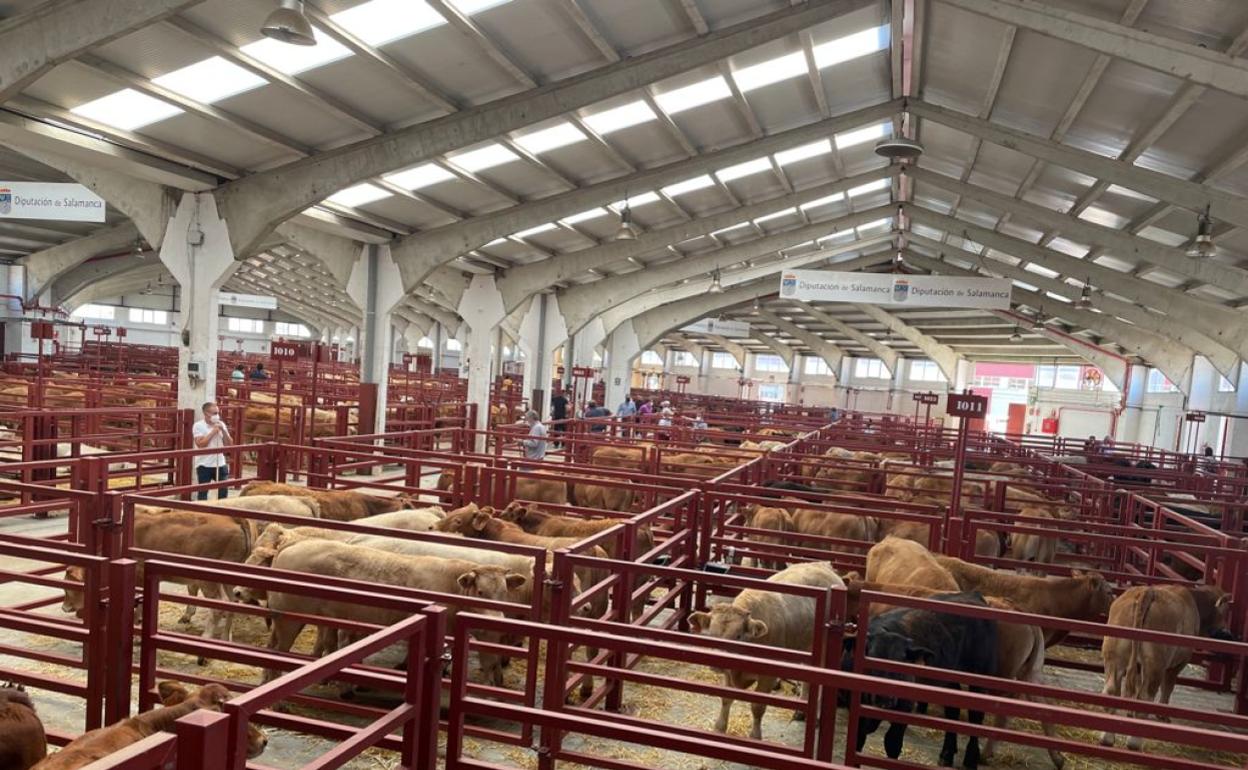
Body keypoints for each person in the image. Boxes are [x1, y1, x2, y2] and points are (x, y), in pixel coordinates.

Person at [192, 402, 231, 500]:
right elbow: (201, 444)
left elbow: (229, 444)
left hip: (220, 462)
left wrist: (223, 431)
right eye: (214, 413)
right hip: (204, 464)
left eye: (217, 413)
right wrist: (213, 432)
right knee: (203, 492)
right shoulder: (198, 426)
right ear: (206, 413)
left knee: (223, 489)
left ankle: (222, 510)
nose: (217, 415)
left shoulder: (221, 424)